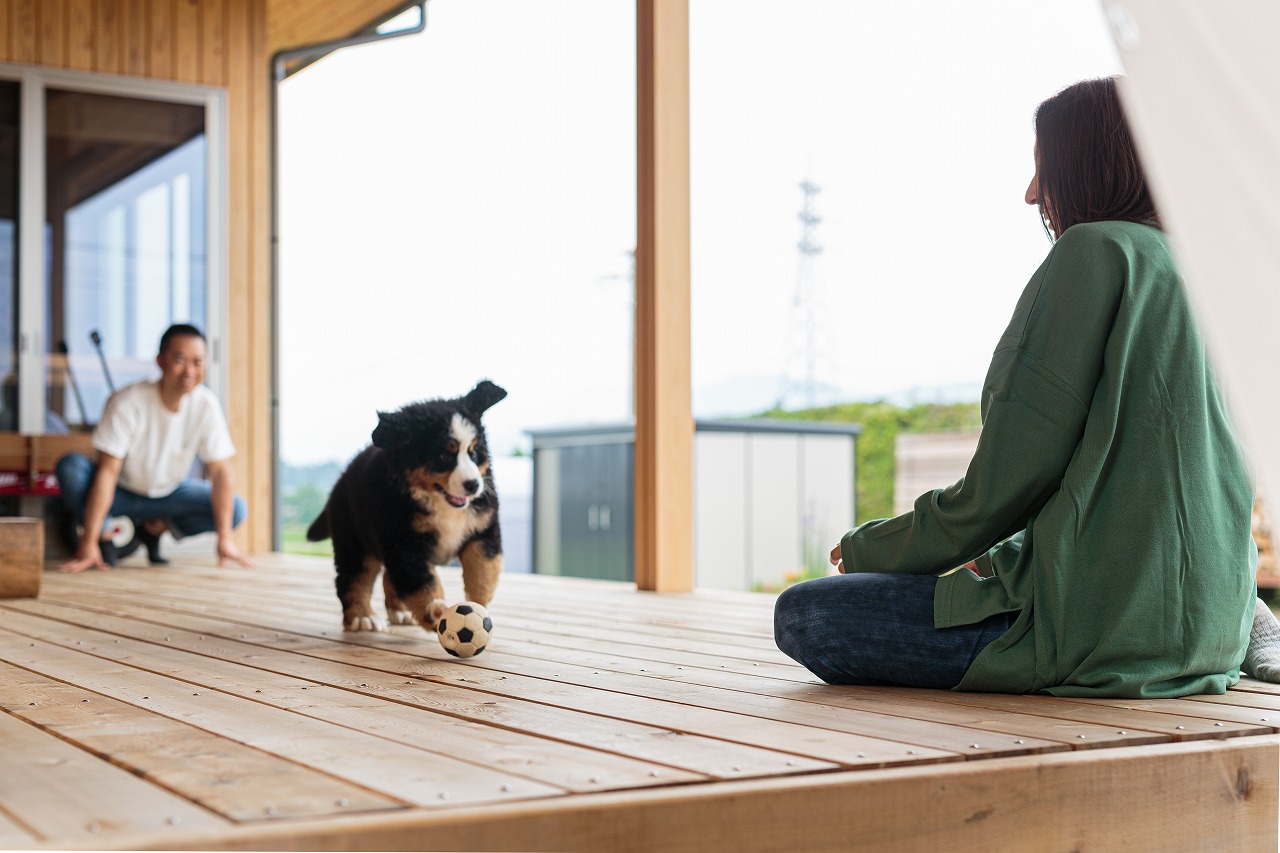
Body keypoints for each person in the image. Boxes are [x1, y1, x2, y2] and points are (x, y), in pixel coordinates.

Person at [774, 76, 1279, 697]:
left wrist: (871, 548)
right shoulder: (1204, 271)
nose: (1032, 193)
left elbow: (1005, 486)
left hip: (1099, 629)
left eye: (1046, 168)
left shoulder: (1093, 252)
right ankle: (1254, 623)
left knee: (807, 613)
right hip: (1211, 623)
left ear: (1090, 165)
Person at [56, 323, 252, 572]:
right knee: (71, 467)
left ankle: (156, 528)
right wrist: (88, 540)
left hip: (169, 495)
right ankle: (104, 536)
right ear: (160, 361)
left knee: (236, 508)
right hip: (121, 492)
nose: (189, 371)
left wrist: (225, 537)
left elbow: (221, 471)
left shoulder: (206, 404)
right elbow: (107, 471)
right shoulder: (128, 401)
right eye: (180, 360)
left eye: (198, 362)